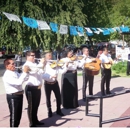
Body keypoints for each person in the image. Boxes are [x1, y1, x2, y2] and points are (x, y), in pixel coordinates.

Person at [2, 58, 30, 127]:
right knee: (14, 117)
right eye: (12, 64)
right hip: (13, 97)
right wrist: (24, 73)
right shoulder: (7, 75)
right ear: (7, 66)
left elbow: (25, 79)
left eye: (14, 63)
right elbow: (18, 82)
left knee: (18, 116)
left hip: (19, 96)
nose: (14, 65)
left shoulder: (15, 72)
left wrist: (27, 72)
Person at [23, 50, 45, 127]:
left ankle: (35, 120)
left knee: (36, 105)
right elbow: (33, 72)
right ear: (27, 57)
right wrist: (41, 63)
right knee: (31, 106)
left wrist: (43, 66)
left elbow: (40, 72)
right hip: (30, 88)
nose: (34, 57)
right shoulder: (27, 65)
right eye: (32, 56)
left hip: (37, 88)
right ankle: (31, 123)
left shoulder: (35, 64)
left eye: (34, 55)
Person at [42, 51, 68, 117]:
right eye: (48, 56)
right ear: (45, 57)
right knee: (48, 98)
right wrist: (51, 76)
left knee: (58, 97)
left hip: (55, 83)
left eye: (51, 55)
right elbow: (42, 75)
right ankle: (49, 111)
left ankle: (58, 110)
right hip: (47, 84)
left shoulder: (55, 64)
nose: (50, 57)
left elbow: (62, 72)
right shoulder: (44, 65)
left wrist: (66, 66)